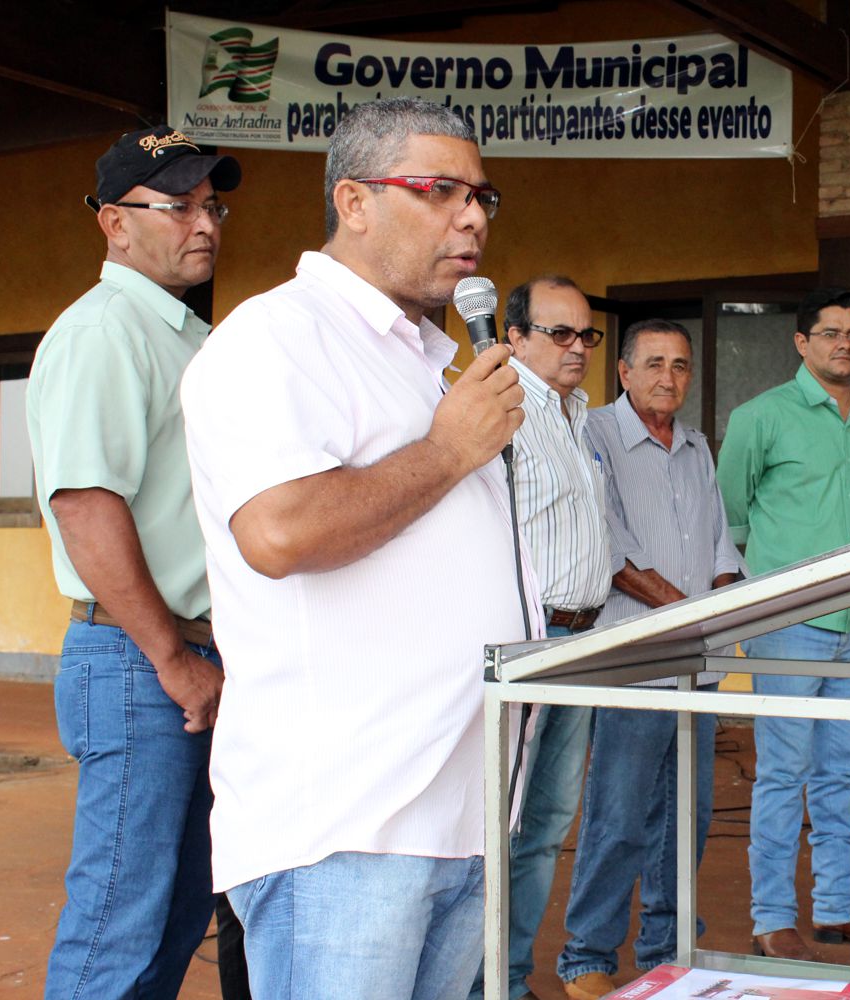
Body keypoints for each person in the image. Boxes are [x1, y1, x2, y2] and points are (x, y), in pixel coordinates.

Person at [180, 97, 530, 998]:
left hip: (462, 813)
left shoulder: (425, 355)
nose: (472, 217)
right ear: (354, 201)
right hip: (346, 828)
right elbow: (280, 529)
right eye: (440, 189)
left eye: (483, 195)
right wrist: (451, 451)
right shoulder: (277, 336)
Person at [26, 124, 239, 1000]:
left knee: (177, 913)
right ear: (115, 223)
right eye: (179, 206)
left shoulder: (179, 335)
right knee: (120, 921)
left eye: (212, 204)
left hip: (184, 656)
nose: (206, 224)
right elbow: (86, 505)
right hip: (138, 661)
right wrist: (172, 659)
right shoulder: (104, 331)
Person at [717, 288, 850, 961]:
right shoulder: (759, 416)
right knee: (782, 772)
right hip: (790, 621)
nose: (844, 344)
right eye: (830, 333)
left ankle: (837, 908)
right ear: (802, 342)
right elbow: (732, 514)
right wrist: (766, 592)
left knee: (841, 772)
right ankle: (772, 916)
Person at [556, 319, 744, 1000]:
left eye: (682, 365)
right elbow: (611, 549)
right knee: (618, 816)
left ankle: (668, 947)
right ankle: (587, 955)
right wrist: (686, 610)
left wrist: (723, 602)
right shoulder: (595, 435)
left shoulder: (696, 447)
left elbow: (722, 546)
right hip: (632, 659)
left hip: (697, 663)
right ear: (625, 373)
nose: (670, 377)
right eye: (655, 363)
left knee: (685, 819)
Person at [486, 273, 614, 1000]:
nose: (577, 348)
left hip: (582, 646)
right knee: (501, 827)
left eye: (586, 335)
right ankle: (479, 981)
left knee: (546, 825)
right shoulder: (503, 413)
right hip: (526, 644)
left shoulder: (575, 418)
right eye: (559, 333)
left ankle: (506, 977)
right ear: (514, 338)